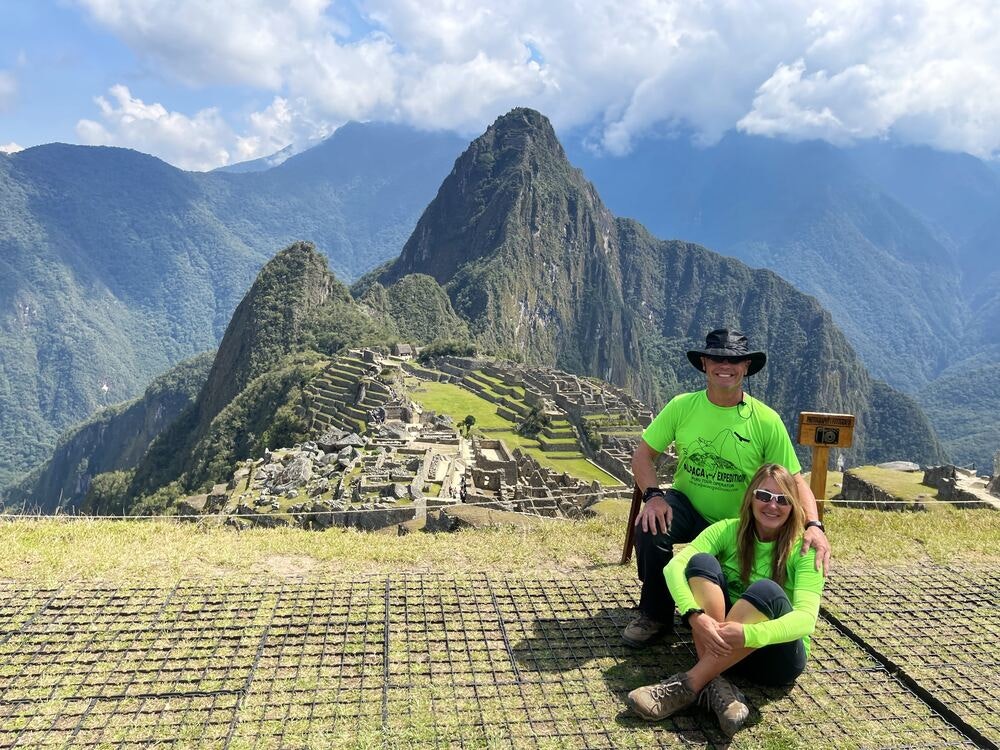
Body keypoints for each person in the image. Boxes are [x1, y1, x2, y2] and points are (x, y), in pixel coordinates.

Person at [625, 328, 830, 647]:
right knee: (651, 526)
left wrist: (814, 525)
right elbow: (642, 455)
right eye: (717, 358)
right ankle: (655, 614)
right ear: (704, 363)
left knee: (733, 568)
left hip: (740, 521)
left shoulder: (765, 420)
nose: (725, 366)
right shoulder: (682, 407)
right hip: (688, 506)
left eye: (734, 360)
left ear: (746, 366)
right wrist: (653, 497)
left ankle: (730, 617)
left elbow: (794, 479)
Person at [627, 463, 825, 735]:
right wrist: (694, 615)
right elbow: (674, 567)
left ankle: (689, 685)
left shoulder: (805, 550)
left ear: (794, 506)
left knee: (766, 591)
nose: (772, 506)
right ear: (751, 497)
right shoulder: (727, 530)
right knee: (701, 562)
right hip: (727, 644)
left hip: (775, 657)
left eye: (783, 500)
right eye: (764, 496)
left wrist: (749, 634)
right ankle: (717, 684)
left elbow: (805, 620)